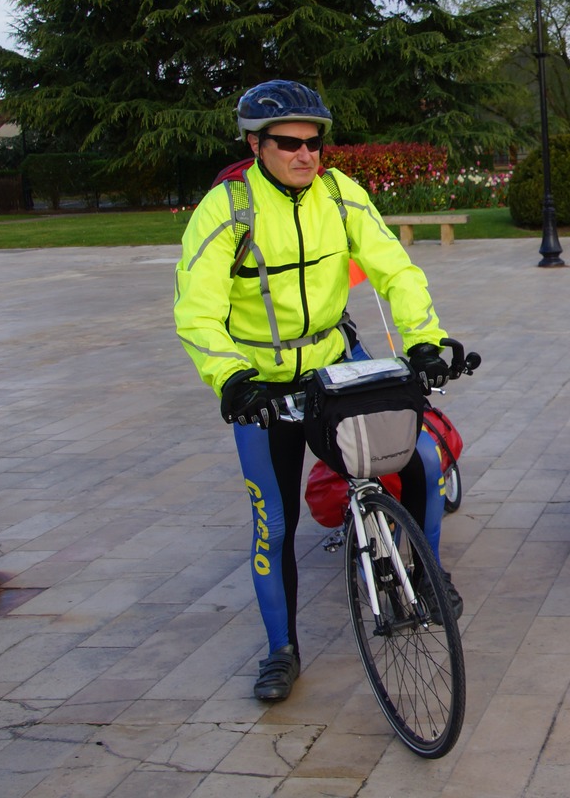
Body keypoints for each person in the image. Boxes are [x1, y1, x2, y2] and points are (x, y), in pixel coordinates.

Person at [174, 79, 464, 702]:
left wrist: (423, 338)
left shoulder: (339, 193)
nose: (307, 155)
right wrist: (230, 378)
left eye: (315, 142)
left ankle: (425, 573)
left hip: (335, 365)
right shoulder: (227, 208)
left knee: (424, 460)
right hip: (262, 385)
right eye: (289, 144)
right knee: (272, 524)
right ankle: (281, 650)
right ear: (255, 144)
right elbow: (196, 311)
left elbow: (395, 267)